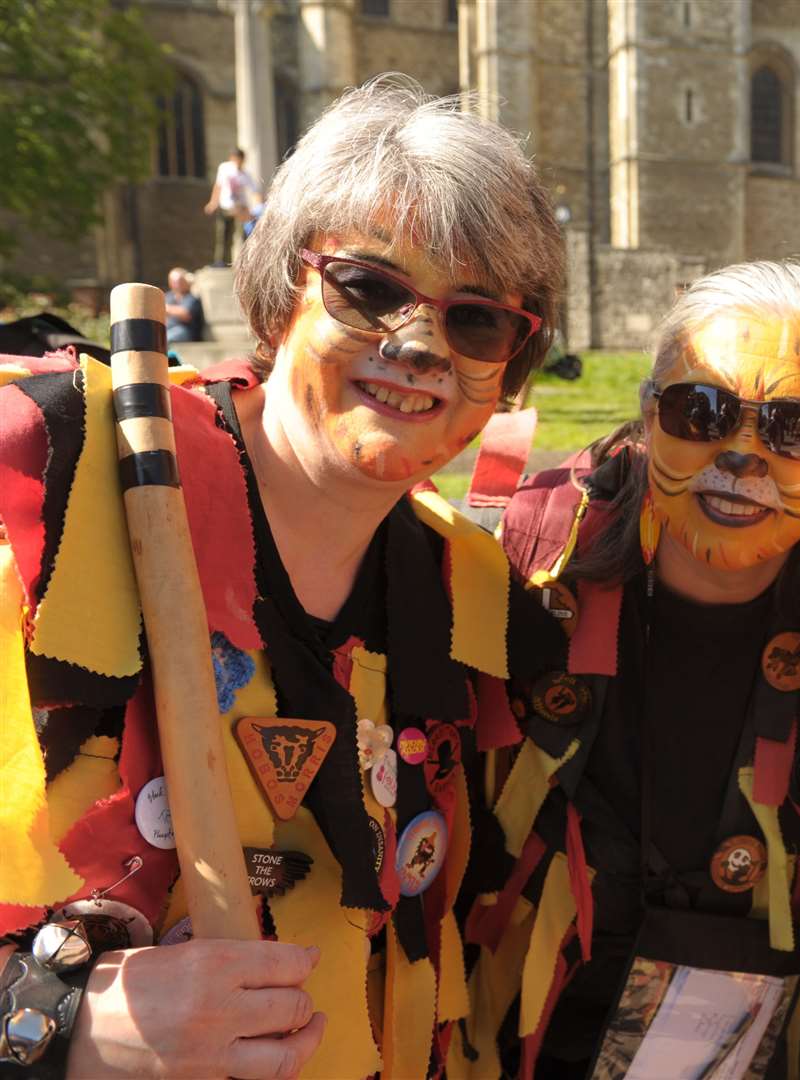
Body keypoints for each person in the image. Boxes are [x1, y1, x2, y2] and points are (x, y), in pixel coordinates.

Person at [0, 77, 565, 1078]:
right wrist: (55, 1022)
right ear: (278, 292)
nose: (420, 345)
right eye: (370, 288)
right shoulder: (41, 481)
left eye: (476, 322)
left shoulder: (469, 604)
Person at [473, 261, 800, 1077]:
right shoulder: (534, 580)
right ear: (649, 421)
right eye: (701, 412)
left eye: (792, 427)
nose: (742, 456)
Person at [203, 148, 257, 267]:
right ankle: (221, 261)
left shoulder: (245, 174)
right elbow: (218, 186)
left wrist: (257, 207)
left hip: (240, 208)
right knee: (223, 234)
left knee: (242, 234)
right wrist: (213, 202)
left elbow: (254, 191)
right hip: (227, 207)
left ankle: (244, 261)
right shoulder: (225, 168)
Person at [164, 267, 205, 344]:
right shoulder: (168, 297)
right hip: (168, 329)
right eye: (174, 281)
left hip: (186, 331)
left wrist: (165, 308)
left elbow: (186, 315)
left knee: (164, 339)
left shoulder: (192, 298)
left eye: (179, 281)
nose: (177, 284)